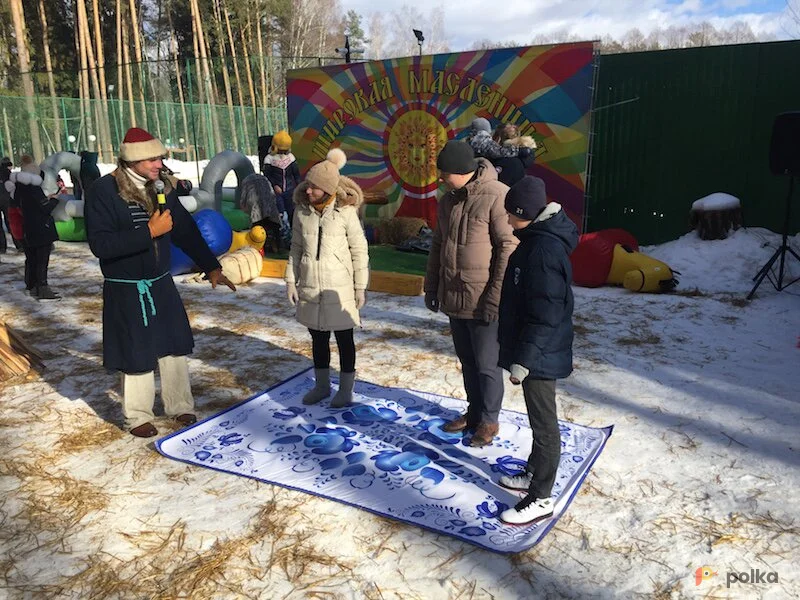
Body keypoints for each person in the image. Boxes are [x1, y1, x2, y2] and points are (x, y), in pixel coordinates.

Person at [85, 127, 236, 438]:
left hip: (159, 281)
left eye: (160, 158)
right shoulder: (103, 190)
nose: (159, 164)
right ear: (134, 160)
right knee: (136, 349)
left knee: (173, 344)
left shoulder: (160, 188)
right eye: (153, 159)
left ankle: (180, 405)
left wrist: (211, 266)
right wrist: (148, 233)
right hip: (127, 287)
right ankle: (137, 415)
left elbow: (185, 231)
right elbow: (101, 245)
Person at [494, 176, 579, 525]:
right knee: (536, 419)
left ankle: (541, 496)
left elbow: (546, 313)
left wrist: (523, 360)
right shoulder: (535, 240)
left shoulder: (543, 250)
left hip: (540, 353)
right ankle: (533, 472)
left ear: (525, 213)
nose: (509, 222)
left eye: (512, 216)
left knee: (545, 425)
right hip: (536, 348)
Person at [424, 140, 518, 447]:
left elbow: (507, 246)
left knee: (487, 364)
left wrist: (496, 296)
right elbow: (438, 244)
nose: (440, 178)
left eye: (444, 172)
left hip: (483, 298)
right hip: (455, 294)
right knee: (467, 360)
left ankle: (489, 421)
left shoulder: (496, 195)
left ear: (461, 171)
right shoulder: (447, 200)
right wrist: (432, 285)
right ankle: (474, 412)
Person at [285, 148, 369, 408]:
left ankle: (345, 390)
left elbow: (359, 249)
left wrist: (359, 287)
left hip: (339, 288)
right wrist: (291, 279)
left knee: (345, 339)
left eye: (314, 187)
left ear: (328, 188)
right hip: (312, 285)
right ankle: (321, 386)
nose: (308, 191)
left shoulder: (346, 213)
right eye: (308, 185)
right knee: (318, 338)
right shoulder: (302, 212)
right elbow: (296, 247)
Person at [10, 155, 61, 299]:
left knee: (31, 257)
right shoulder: (33, 189)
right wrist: (53, 201)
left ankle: (31, 284)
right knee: (42, 259)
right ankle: (43, 287)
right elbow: (44, 208)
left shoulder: (18, 188)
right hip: (41, 227)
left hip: (27, 227)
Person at [263, 130, 301, 225]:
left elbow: (296, 174)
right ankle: (281, 231)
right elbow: (267, 175)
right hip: (276, 192)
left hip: (289, 190)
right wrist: (275, 185)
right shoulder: (269, 159)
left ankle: (292, 232)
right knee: (280, 214)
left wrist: (299, 186)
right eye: (281, 149)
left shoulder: (291, 157)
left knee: (291, 212)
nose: (282, 152)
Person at [0, 156, 12, 253]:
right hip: (6, 200)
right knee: (10, 222)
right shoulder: (6, 172)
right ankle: (19, 244)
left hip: (4, 198)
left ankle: (2, 247)